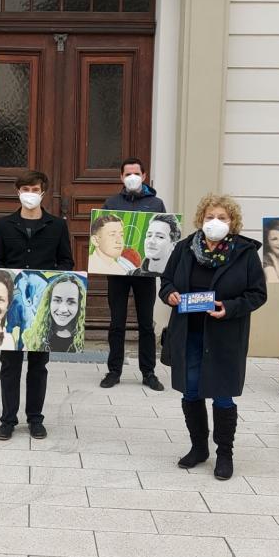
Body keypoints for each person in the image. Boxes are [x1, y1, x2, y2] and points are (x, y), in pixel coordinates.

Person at [160, 193, 267, 480]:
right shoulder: (183, 249)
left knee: (222, 395)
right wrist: (169, 294)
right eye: (210, 217)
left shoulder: (244, 253)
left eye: (222, 218)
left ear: (233, 222)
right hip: (189, 333)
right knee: (191, 391)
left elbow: (258, 294)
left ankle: (224, 454)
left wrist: (229, 308)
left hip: (224, 336)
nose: (215, 222)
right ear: (201, 219)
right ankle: (198, 448)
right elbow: (166, 281)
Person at [0, 170, 74, 440]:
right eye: (25, 189)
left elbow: (66, 263)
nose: (30, 194)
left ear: (43, 192)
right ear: (18, 192)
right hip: (11, 307)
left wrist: (52, 282)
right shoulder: (4, 225)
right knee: (9, 364)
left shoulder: (57, 226)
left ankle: (35, 418)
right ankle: (8, 419)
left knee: (39, 365)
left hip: (43, 307)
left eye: (34, 189)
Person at [100, 158, 168, 391]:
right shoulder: (111, 202)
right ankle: (114, 370)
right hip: (117, 271)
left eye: (136, 173)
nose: (132, 177)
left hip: (146, 273)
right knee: (117, 322)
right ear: (121, 177)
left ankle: (148, 372)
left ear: (144, 175)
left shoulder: (156, 203)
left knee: (146, 324)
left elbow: (164, 235)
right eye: (127, 173)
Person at [22, 272, 86, 353]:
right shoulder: (31, 339)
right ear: (48, 302)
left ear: (79, 305)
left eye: (71, 302)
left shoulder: (81, 343)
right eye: (57, 300)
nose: (63, 309)